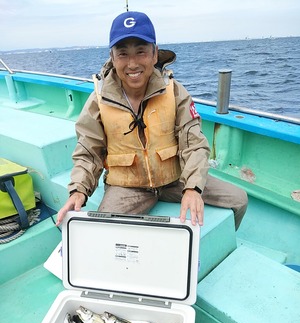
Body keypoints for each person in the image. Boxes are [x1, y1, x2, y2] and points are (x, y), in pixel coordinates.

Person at [56, 11, 247, 229]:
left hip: (176, 180)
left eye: (141, 52)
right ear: (112, 57)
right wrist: (78, 190)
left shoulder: (175, 92)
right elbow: (89, 151)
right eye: (123, 54)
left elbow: (194, 144)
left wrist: (193, 188)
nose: (132, 64)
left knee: (238, 200)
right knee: (103, 230)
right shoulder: (98, 100)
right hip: (127, 187)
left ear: (155, 54)